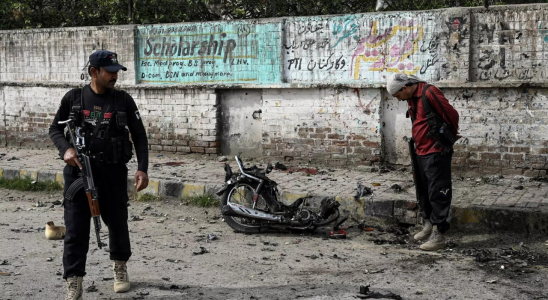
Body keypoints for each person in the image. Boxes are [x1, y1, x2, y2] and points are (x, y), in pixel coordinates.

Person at [49, 50, 149, 299]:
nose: (115, 76)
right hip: (79, 175)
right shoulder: (73, 98)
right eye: (110, 72)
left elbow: (139, 136)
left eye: (117, 72)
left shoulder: (123, 100)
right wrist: (66, 150)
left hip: (113, 173)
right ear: (94, 72)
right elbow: (55, 129)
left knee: (117, 225)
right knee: (75, 230)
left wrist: (142, 168)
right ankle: (74, 281)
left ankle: (120, 267)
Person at [386, 73, 459, 251]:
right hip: (420, 150)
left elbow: (452, 116)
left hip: (436, 151)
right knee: (423, 189)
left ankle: (439, 233)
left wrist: (443, 141)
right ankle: (428, 223)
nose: (398, 100)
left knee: (438, 190)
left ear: (405, 88)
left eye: (397, 96)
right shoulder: (412, 97)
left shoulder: (430, 92)